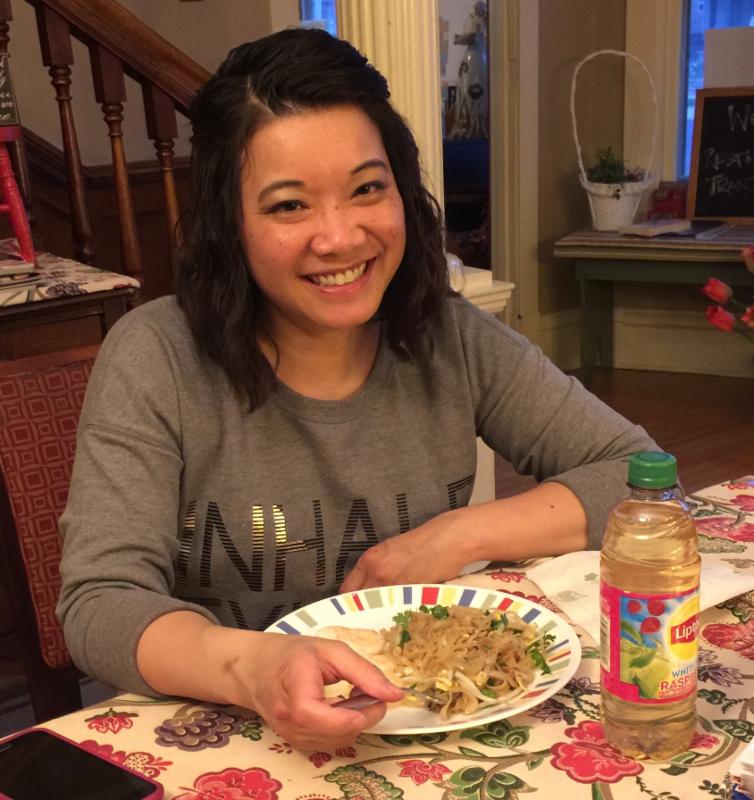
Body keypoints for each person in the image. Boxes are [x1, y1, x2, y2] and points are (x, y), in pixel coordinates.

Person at [57, 28, 656, 751]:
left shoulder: (450, 335)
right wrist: (254, 668)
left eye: (367, 189)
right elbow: (101, 603)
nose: (340, 238)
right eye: (289, 206)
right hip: (230, 737)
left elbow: (641, 480)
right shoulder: (157, 356)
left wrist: (457, 534)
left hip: (430, 727)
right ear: (229, 224)